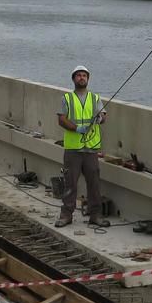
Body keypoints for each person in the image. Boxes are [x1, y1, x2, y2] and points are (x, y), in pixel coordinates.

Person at [55, 65, 110, 228]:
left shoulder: (95, 98)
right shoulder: (67, 98)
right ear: (73, 79)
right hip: (73, 149)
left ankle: (95, 215)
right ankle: (66, 215)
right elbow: (61, 119)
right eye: (78, 75)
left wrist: (100, 118)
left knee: (94, 184)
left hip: (91, 149)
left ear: (88, 79)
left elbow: (104, 115)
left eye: (84, 75)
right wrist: (77, 128)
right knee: (70, 183)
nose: (81, 78)